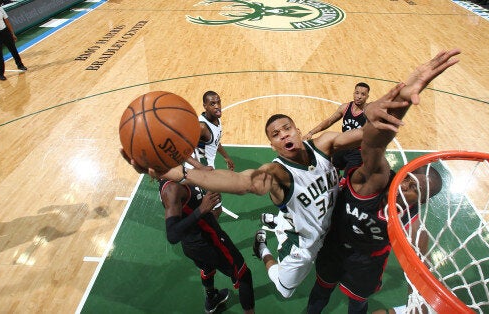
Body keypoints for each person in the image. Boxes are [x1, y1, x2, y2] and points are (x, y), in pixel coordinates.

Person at [123, 48, 461, 300]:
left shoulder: (325, 144)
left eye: (287, 128)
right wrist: (179, 172)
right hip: (310, 242)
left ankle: (281, 226)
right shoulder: (278, 173)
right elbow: (239, 182)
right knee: (284, 289)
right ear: (273, 146)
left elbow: (372, 138)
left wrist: (391, 104)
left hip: (337, 226)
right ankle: (265, 247)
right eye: (275, 134)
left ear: (299, 131)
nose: (284, 135)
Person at [306, 50, 457, 314]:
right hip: (335, 246)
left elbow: (421, 265)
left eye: (415, 190)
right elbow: (374, 146)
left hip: (367, 263)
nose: (407, 186)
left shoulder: (412, 222)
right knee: (320, 292)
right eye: (410, 180)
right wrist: (401, 100)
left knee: (358, 304)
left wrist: (419, 299)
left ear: (421, 201)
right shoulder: (378, 179)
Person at [158, 179, 255, 313]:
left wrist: (208, 207)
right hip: (208, 241)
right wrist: (202, 209)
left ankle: (211, 299)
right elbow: (172, 235)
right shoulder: (171, 188)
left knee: (207, 267)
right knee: (243, 274)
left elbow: (186, 210)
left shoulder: (172, 179)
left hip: (192, 244)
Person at [185, 91, 235, 218]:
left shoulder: (216, 119)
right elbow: (183, 151)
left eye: (218, 102)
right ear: (205, 106)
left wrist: (226, 156)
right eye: (212, 104)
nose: (217, 106)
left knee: (208, 207)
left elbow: (216, 141)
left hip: (206, 170)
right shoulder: (201, 127)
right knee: (215, 209)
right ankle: (208, 234)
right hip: (200, 173)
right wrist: (200, 168)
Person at [303, 82, 370, 172]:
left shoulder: (369, 112)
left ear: (367, 97)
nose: (359, 96)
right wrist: (311, 132)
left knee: (348, 180)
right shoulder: (345, 107)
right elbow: (329, 121)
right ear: (353, 93)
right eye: (357, 93)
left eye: (363, 94)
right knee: (331, 170)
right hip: (344, 145)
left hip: (358, 151)